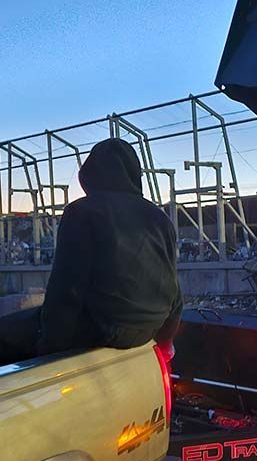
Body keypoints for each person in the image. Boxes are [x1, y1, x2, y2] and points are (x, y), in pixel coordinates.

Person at [0, 138, 182, 366]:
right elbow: (175, 294)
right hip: (147, 330)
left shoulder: (82, 212)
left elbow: (66, 290)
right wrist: (165, 343)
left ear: (90, 172)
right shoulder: (161, 219)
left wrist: (49, 351)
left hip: (100, 329)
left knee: (8, 332)